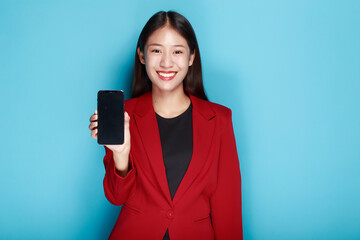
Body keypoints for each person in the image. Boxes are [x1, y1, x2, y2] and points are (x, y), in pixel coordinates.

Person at [89, 10, 242, 240]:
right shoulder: (124, 115)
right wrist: (121, 153)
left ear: (191, 57)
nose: (166, 62)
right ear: (142, 55)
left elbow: (227, 209)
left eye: (177, 51)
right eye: (157, 50)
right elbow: (116, 196)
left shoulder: (220, 119)